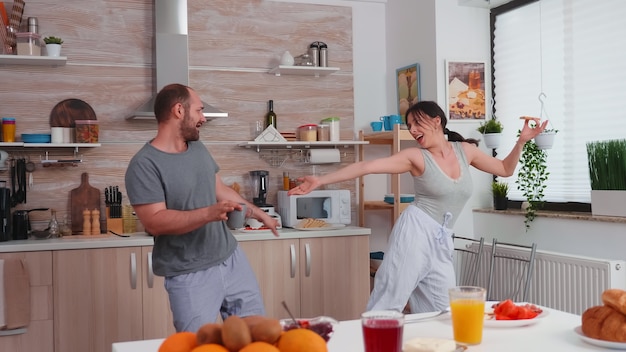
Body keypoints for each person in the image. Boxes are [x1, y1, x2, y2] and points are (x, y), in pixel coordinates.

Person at [288, 101, 547, 313]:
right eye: (409, 125)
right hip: (415, 231)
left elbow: (504, 169)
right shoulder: (415, 157)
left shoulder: (465, 151)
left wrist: (522, 140)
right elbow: (367, 167)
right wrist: (320, 180)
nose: (412, 130)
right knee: (388, 302)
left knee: (444, 310)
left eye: (416, 123)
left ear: (437, 121)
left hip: (442, 237)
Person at [125, 83, 279, 332]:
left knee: (256, 337)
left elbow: (219, 188)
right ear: (178, 110)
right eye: (199, 110)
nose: (203, 118)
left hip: (231, 258)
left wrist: (260, 213)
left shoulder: (197, 148)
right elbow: (154, 221)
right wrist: (208, 213)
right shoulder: (144, 164)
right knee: (199, 347)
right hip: (188, 273)